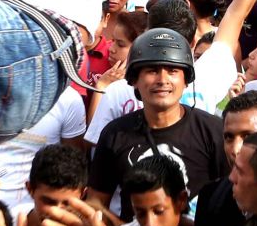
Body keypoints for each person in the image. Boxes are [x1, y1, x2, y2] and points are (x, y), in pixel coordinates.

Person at [88, 28, 226, 212]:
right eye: (152, 70)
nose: (162, 79)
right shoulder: (115, 134)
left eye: (172, 70)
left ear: (186, 79)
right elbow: (95, 206)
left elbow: (229, 200)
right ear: (134, 80)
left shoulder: (214, 132)